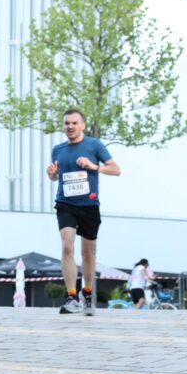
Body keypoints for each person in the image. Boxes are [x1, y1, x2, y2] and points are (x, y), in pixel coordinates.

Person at [47, 108, 121, 315]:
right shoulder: (58, 150)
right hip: (65, 203)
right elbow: (56, 177)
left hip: (89, 205)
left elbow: (116, 170)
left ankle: (87, 293)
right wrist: (52, 175)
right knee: (67, 248)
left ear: (83, 125)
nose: (70, 127)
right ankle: (72, 297)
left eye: (74, 123)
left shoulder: (94, 144)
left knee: (88, 252)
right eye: (66, 123)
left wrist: (93, 166)